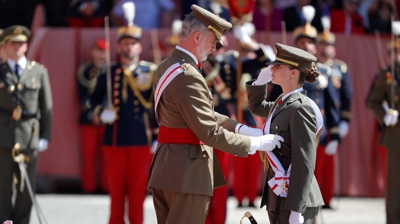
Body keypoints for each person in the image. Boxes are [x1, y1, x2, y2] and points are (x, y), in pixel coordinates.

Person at [147, 4, 285, 224]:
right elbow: (209, 131)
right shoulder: (188, 75)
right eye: (213, 41)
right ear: (197, 37)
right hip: (187, 172)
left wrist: (242, 128)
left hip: (169, 166)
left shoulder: (168, 65)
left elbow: (205, 114)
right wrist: (255, 144)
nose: (214, 48)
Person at [246, 43, 324, 224]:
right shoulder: (283, 102)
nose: (271, 68)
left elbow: (304, 160)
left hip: (293, 198)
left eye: (278, 66)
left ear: (293, 72)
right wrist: (259, 83)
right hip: (280, 193)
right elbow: (256, 107)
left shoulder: (300, 107)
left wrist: (296, 208)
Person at [89, 22, 158, 223]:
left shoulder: (150, 71)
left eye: (133, 43)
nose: (129, 47)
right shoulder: (108, 72)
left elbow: (158, 107)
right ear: (118, 47)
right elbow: (91, 100)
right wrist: (101, 113)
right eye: (125, 43)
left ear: (140, 47)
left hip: (141, 139)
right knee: (116, 194)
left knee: (137, 193)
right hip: (115, 139)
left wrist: (157, 135)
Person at [0, 25, 52, 224]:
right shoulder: (1, 71)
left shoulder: (38, 71)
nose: (17, 47)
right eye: (13, 43)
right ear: (7, 45)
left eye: (21, 43)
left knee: (26, 185)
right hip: (3, 135)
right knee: (3, 184)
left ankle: (22, 222)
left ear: (26, 45)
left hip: (29, 135)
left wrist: (45, 136)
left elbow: (46, 106)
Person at [314, 16, 353, 209]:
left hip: (333, 119)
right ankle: (315, 199)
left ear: (334, 48)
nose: (325, 47)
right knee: (316, 160)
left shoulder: (340, 68)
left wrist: (345, 121)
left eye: (329, 44)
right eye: (322, 43)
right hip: (317, 118)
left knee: (329, 163)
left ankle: (327, 198)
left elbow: (347, 95)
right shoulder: (311, 67)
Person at [367, 36, 400, 224]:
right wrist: (385, 116)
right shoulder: (387, 74)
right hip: (396, 136)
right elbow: (373, 100)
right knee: (395, 186)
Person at [77, 38, 107, 194]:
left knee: (107, 156)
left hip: (107, 119)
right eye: (98, 50)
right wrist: (93, 114)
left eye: (104, 51)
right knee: (88, 155)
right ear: (92, 52)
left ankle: (107, 187)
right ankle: (88, 187)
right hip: (88, 119)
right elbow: (83, 95)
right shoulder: (85, 70)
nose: (101, 54)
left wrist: (102, 114)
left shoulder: (112, 70)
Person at [110, 0, 176, 29]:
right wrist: (121, 28)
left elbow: (171, 8)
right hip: (133, 34)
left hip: (154, 33)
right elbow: (113, 15)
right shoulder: (127, 0)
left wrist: (166, 26)